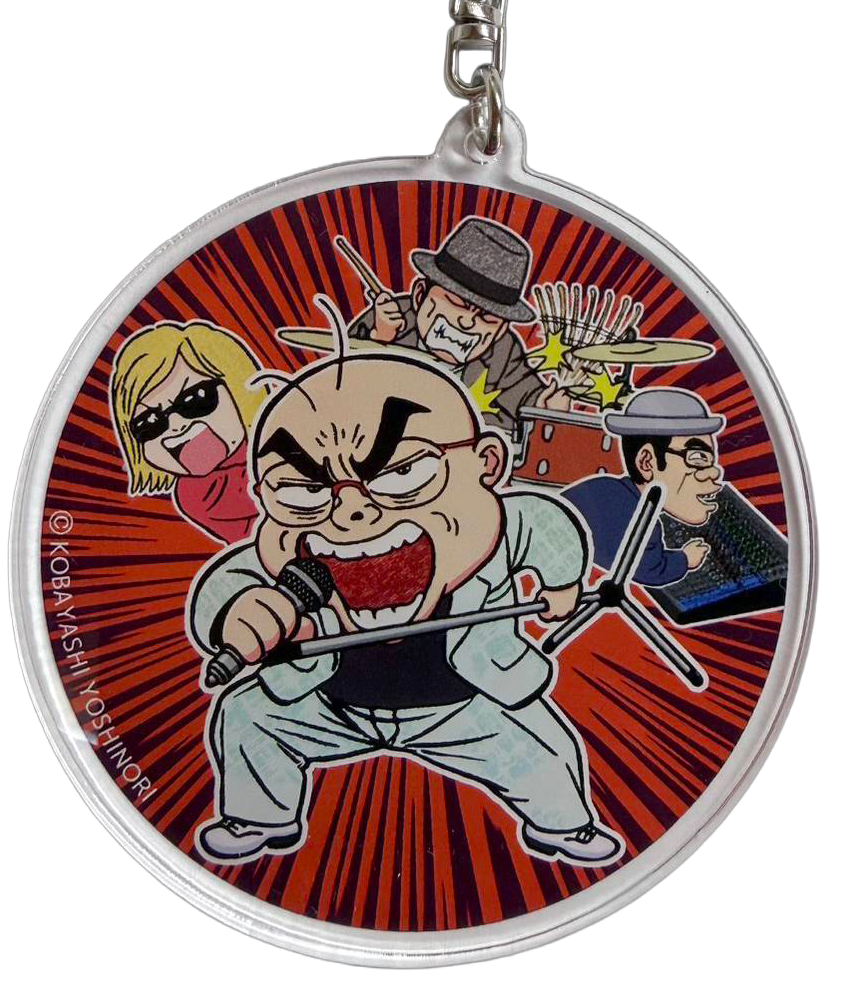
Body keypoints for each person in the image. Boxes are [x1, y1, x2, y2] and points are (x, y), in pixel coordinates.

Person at [188, 338, 624, 867]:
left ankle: (568, 826)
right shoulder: (289, 561)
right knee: (246, 715)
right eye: (302, 489)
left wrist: (561, 583)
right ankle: (258, 817)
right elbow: (227, 580)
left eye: (402, 471)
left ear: (486, 464)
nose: (350, 511)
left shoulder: (506, 526)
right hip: (331, 707)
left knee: (546, 750)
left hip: (466, 708)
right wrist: (237, 612)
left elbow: (548, 523)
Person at [348, 217, 577, 433]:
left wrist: (545, 410)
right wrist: (380, 342)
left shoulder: (503, 354)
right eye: (457, 303)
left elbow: (527, 397)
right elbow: (340, 386)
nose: (467, 322)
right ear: (420, 295)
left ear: (500, 331)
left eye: (487, 318)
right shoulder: (387, 320)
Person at [110, 320, 265, 545]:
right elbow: (268, 488)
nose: (177, 425)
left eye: (194, 400)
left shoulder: (274, 437)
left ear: (237, 387)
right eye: (150, 423)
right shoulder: (196, 494)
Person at [561, 388, 724, 587]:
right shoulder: (636, 518)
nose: (714, 473)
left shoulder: (608, 489)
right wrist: (685, 560)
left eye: (711, 461)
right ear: (647, 462)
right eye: (697, 458)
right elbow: (650, 571)